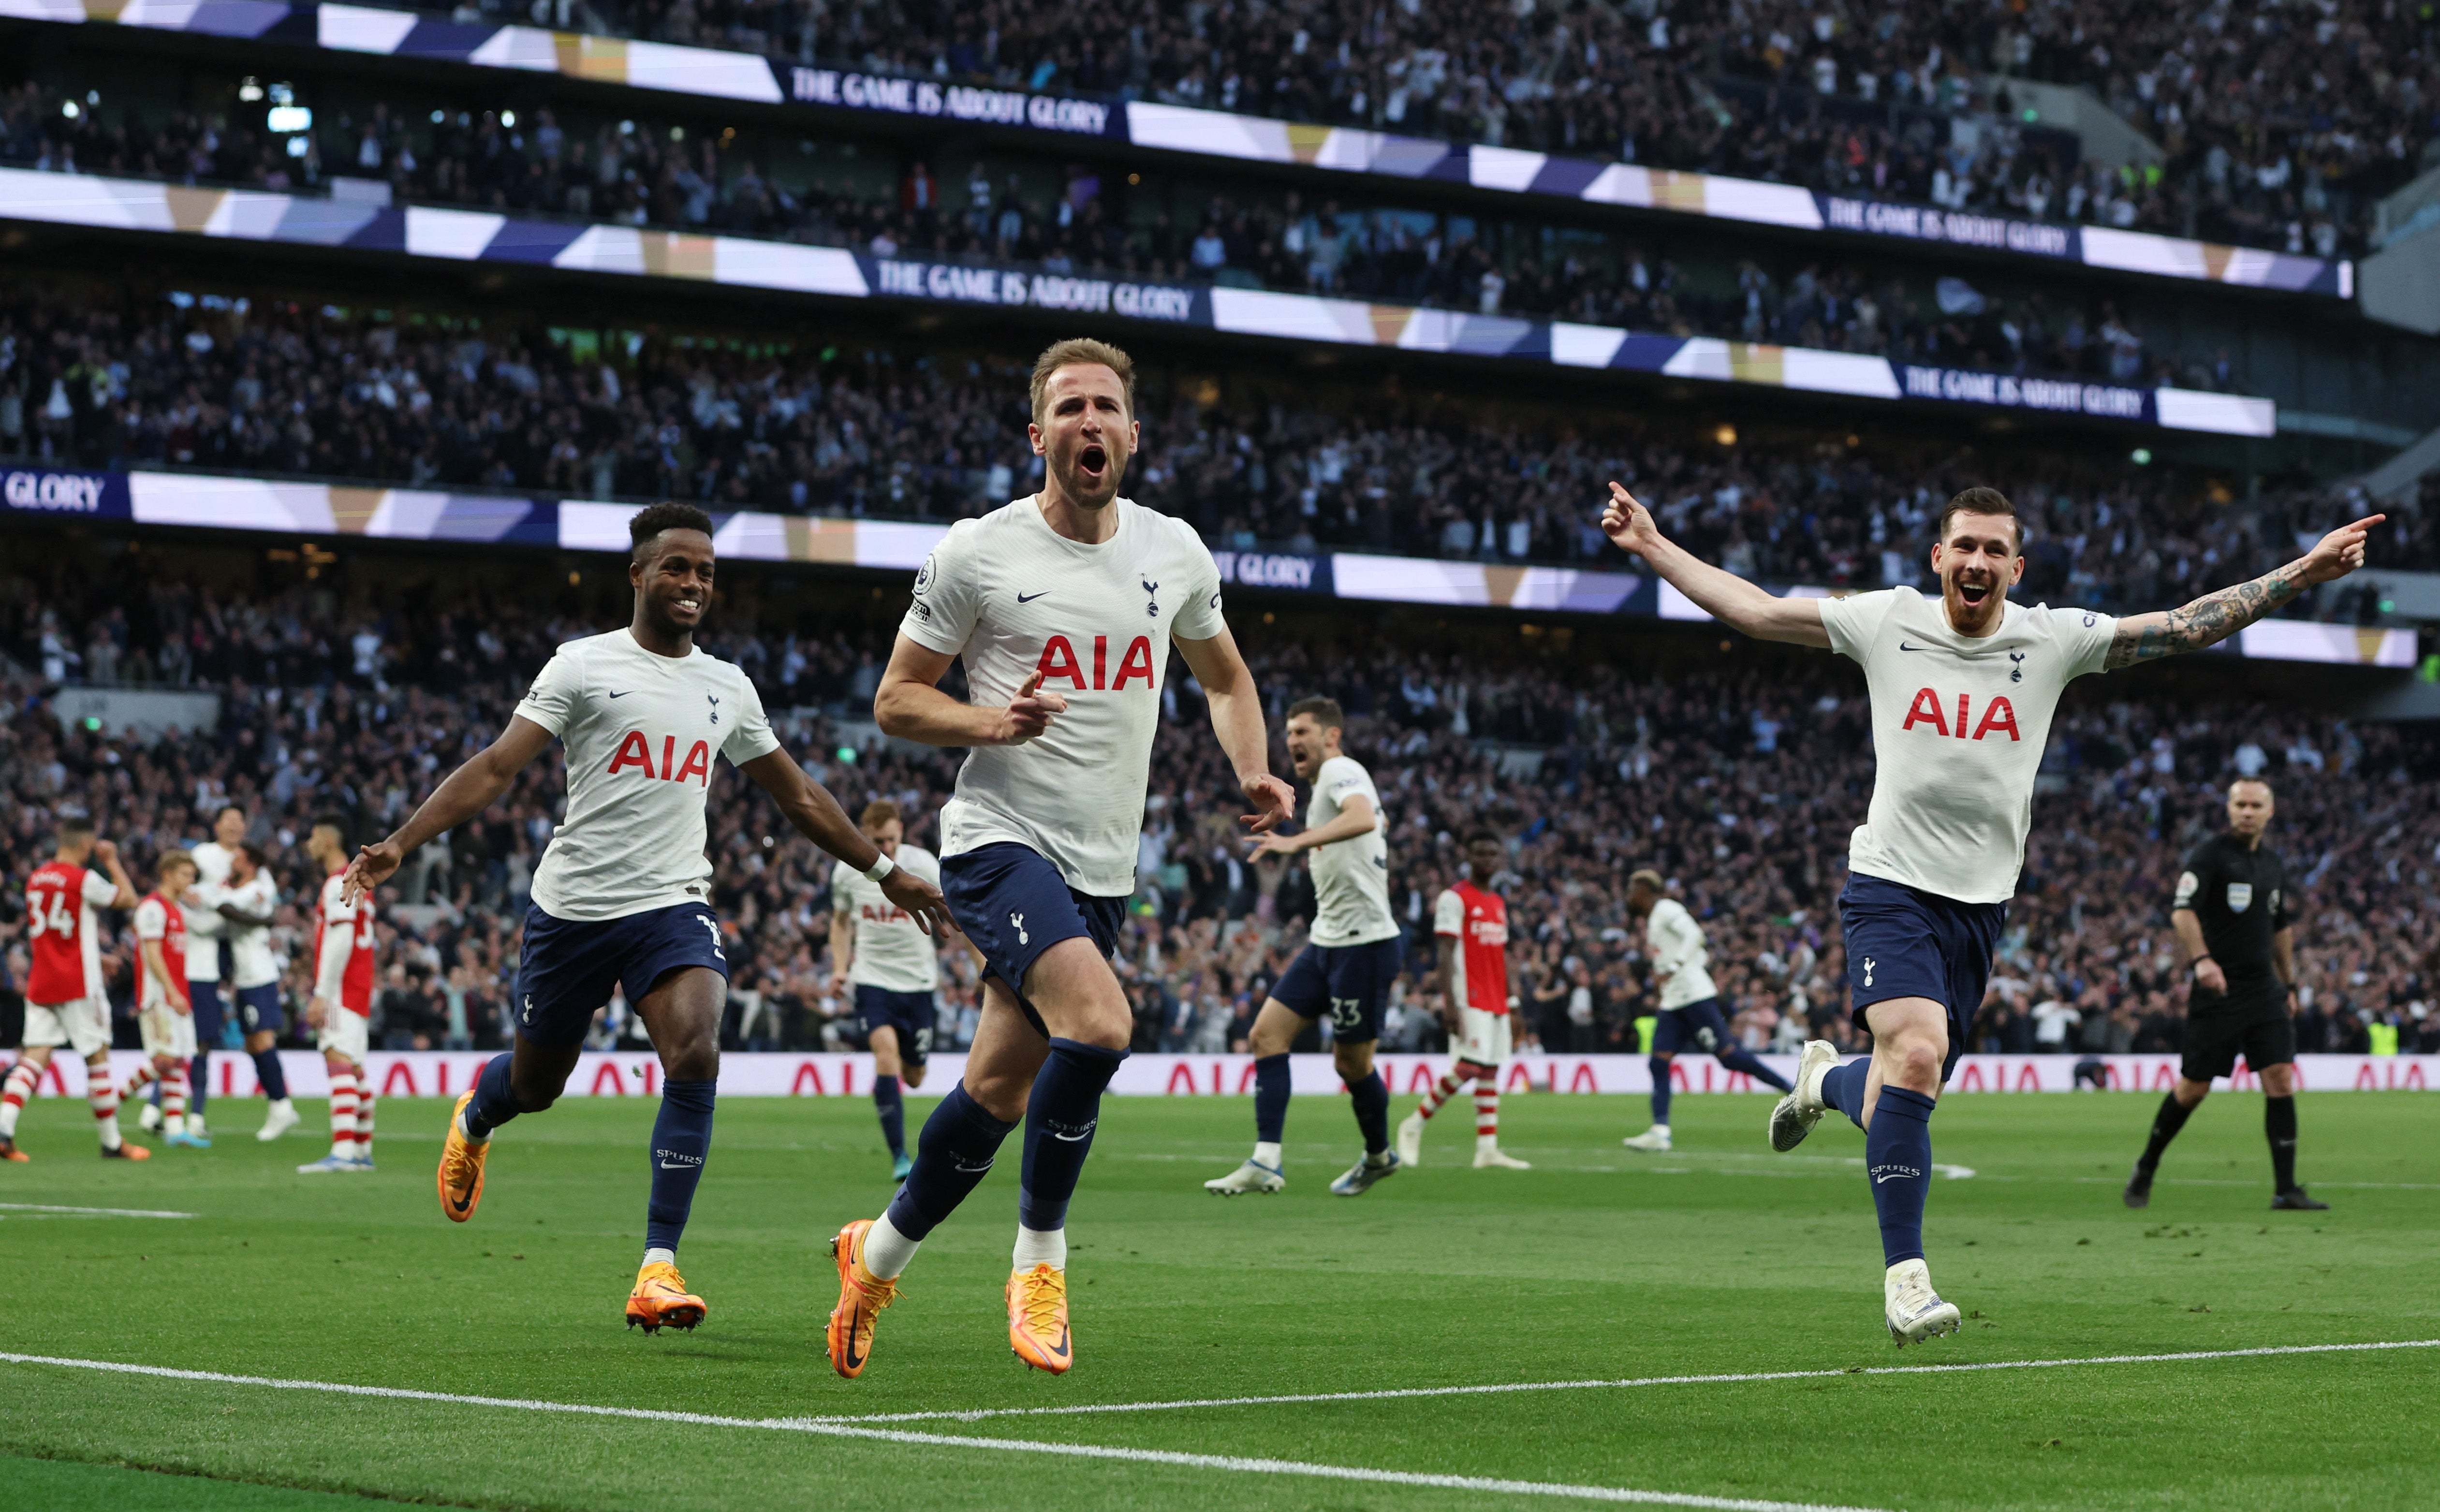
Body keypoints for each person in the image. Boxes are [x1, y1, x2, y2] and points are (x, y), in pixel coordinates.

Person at [1602, 479, 2380, 1346]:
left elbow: (2183, 624)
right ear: (1939, 557)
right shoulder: (1884, 619)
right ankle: (1905, 1282)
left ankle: (1822, 1078)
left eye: (1993, 549)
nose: (1976, 562)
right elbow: (1753, 610)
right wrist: (1654, 545)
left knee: (1912, 1078)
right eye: (1962, 546)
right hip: (1889, 883)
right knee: (1917, 1049)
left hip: (1981, 908)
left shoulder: (2050, 638)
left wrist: (2302, 574)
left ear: (2017, 565)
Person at [342, 500, 951, 1333]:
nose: (694, 583)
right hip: (572, 910)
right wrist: (402, 842)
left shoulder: (726, 685)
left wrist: (886, 871)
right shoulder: (583, 666)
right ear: (638, 574)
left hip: (671, 903)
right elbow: (495, 767)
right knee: (535, 1085)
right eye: (677, 567)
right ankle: (477, 1113)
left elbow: (798, 793)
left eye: (705, 571)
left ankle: (657, 1264)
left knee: (697, 1049)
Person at [824, 338, 1293, 1380]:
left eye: (1108, 407)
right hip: (998, 843)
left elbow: (1224, 679)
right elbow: (896, 700)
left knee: (995, 1089)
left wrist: (1253, 769)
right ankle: (1039, 1264)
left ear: (1133, 432)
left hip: (1101, 870)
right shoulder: (978, 553)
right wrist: (994, 724)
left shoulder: (1174, 552)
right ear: (1038, 435)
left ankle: (876, 1254)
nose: (1092, 422)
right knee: (1102, 1023)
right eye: (1071, 407)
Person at [1206, 696, 1409, 1196]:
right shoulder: (1323, 786)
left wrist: (1296, 842)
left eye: (1303, 731)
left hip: (1364, 945)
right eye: (1289, 733)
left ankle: (1379, 1156)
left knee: (1352, 1065)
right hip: (1327, 942)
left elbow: (1362, 816)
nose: (1293, 740)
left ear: (1331, 737)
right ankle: (1266, 1162)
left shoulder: (1343, 769)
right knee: (1266, 1036)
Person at [2124, 779, 2323, 1210]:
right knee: (2194, 1088)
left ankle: (2286, 1189)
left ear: (2270, 812)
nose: (2247, 812)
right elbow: (2182, 911)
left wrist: (2289, 983)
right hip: (2219, 992)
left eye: (2255, 805)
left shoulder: (2272, 864)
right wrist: (2202, 961)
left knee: (2280, 1078)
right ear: (2229, 809)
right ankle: (2147, 1165)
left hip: (2265, 990)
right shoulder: (2210, 856)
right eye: (2240, 804)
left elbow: (2281, 927)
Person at [1620, 868, 1793, 1152]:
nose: (1629, 897)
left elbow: (1694, 934)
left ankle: (1793, 1090)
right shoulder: (1654, 918)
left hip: (1692, 995)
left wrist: (1675, 965)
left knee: (1730, 1057)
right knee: (1658, 1063)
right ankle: (1660, 1131)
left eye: (1632, 890)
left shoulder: (1665, 908)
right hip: (1674, 1000)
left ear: (1645, 891)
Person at [0, 817, 144, 1161]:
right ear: (85, 845)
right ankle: (112, 1143)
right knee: (97, 1057)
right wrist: (112, 861)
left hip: (42, 980)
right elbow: (128, 899)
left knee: (33, 1058)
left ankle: (3, 1132)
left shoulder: (36, 878)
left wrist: (100, 954)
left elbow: (61, 931)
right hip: (78, 982)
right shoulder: (83, 878)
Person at [828, 798, 954, 1180]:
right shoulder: (849, 871)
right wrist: (839, 968)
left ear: (902, 833)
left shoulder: (923, 865)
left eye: (892, 840)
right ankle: (901, 1156)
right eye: (879, 841)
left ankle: (892, 1092)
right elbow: (840, 922)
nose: (887, 850)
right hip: (872, 979)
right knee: (885, 1057)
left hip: (918, 982)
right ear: (866, 835)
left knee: (914, 1077)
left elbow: (952, 913)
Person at [1393, 828, 1531, 1170]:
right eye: (1479, 853)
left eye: (1491, 853)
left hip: (1497, 997)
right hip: (1468, 995)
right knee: (1469, 1065)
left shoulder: (1498, 903)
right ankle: (1414, 1124)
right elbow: (1445, 953)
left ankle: (1487, 1149)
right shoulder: (1454, 898)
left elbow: (1501, 957)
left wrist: (1513, 1004)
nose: (1486, 859)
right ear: (1468, 857)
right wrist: (1450, 1004)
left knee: (1490, 1069)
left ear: (1499, 859)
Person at [299, 818, 379, 1174]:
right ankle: (361, 1149)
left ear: (329, 841)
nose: (308, 843)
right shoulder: (361, 885)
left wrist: (321, 994)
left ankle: (344, 1151)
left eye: (314, 836)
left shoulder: (337, 884)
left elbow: (341, 939)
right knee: (355, 1067)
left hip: (342, 988)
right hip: (360, 987)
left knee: (338, 1062)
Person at [165, 803, 246, 1140]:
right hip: (188, 969)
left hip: (211, 966)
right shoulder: (202, 856)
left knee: (201, 1043)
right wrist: (223, 912)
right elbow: (202, 920)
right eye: (229, 819)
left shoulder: (245, 863)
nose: (234, 826)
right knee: (182, 1046)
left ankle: (181, 1115)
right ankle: (172, 1115)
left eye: (240, 820)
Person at [119, 850, 207, 1148]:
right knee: (166, 1059)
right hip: (158, 996)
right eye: (185, 875)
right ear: (168, 875)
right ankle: (116, 1097)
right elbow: (153, 955)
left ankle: (173, 1129)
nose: (190, 881)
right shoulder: (152, 909)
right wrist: (171, 992)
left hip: (177, 994)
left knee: (177, 1061)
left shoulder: (175, 908)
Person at [212, 842, 300, 1142]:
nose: (231, 861)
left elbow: (225, 907)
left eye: (236, 857)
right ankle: (278, 1105)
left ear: (249, 863)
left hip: (258, 975)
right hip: (247, 975)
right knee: (253, 1043)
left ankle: (281, 1105)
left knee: (262, 1039)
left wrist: (218, 893)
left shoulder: (253, 891)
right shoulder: (258, 885)